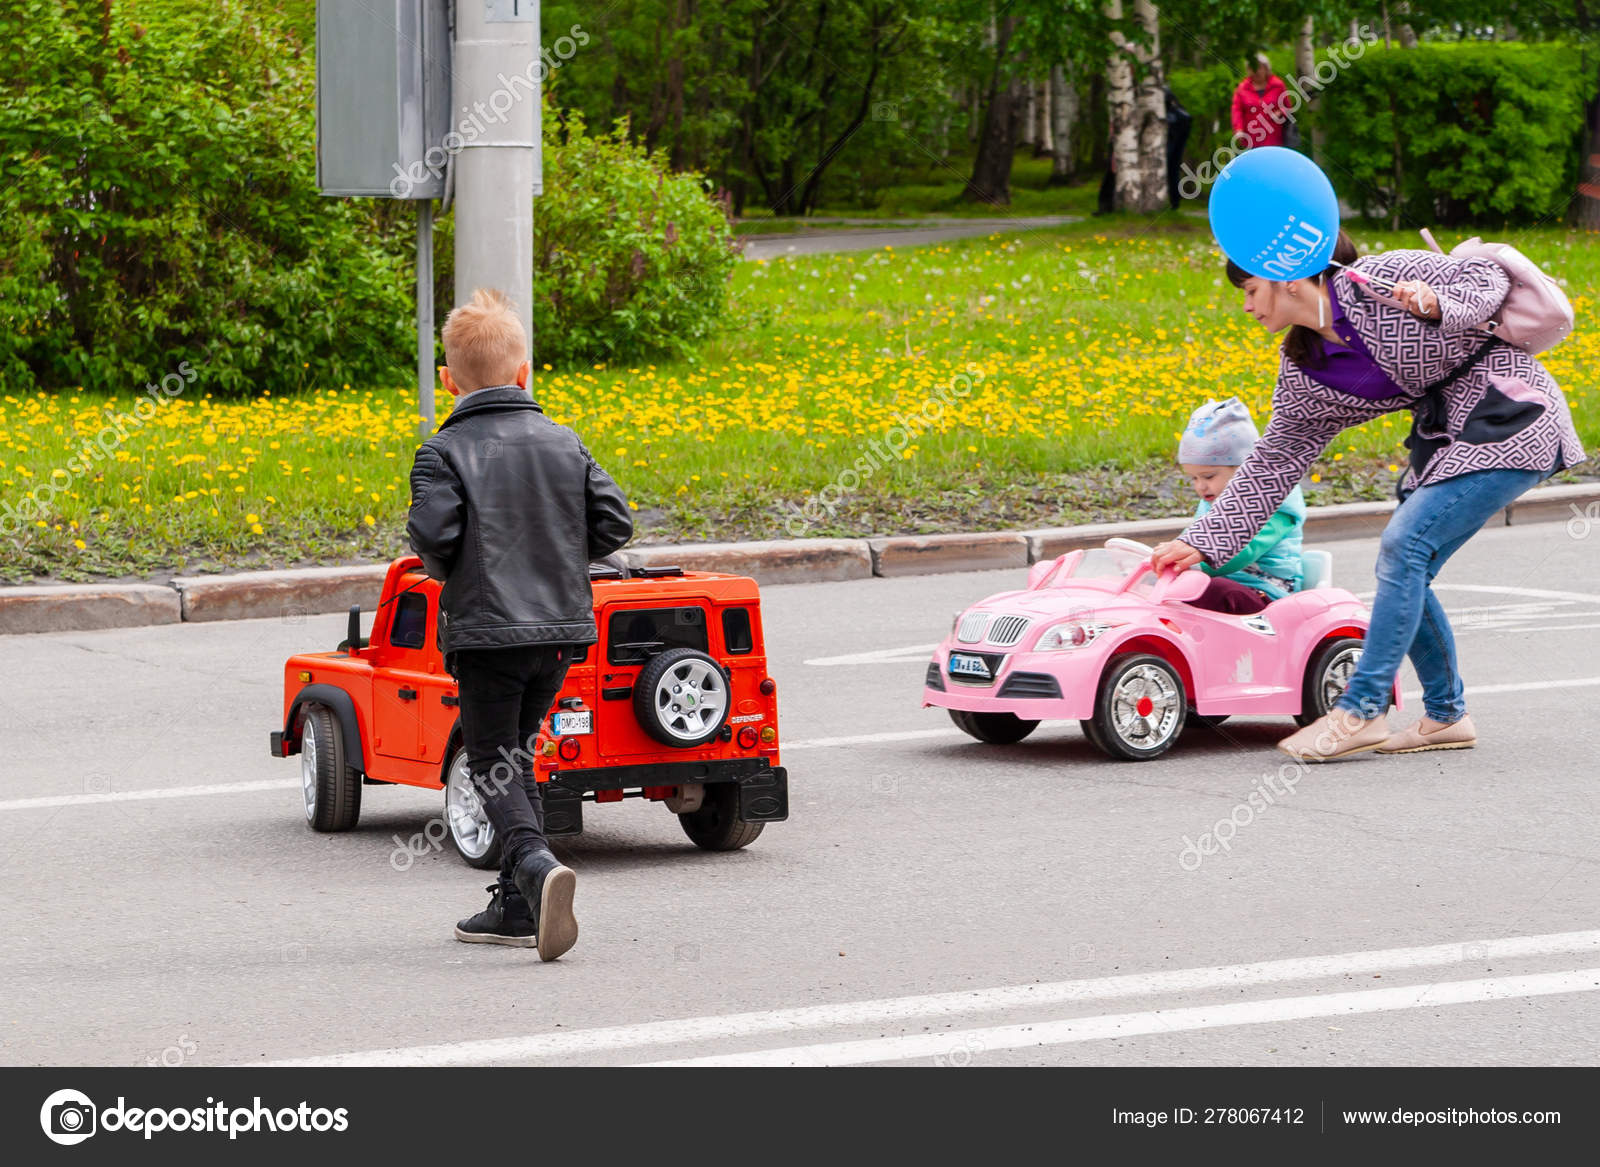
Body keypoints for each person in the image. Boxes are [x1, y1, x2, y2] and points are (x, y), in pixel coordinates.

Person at [1152, 230, 1584, 762]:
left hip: (1511, 415)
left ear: (1288, 278)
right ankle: (1447, 716)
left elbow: (1488, 276)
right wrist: (1202, 541)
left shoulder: (1379, 280)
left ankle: (1361, 710)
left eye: (1250, 289)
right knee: (1407, 565)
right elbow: (1275, 459)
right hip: (1448, 439)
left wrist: (1439, 303)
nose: (1244, 305)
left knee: (1403, 549)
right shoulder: (1306, 368)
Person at [407, 288, 634, 959]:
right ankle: (514, 906)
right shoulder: (565, 442)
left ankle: (535, 864)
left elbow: (435, 540)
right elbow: (614, 524)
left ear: (449, 381)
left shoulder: (443, 451)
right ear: (525, 372)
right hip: (561, 632)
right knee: (517, 754)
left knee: (489, 759)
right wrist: (555, 553)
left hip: (488, 633)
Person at [1177, 397, 1304, 614]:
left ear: (1246, 469)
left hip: (1267, 592)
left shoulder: (1275, 503)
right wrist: (1171, 555)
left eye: (1208, 476)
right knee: (1172, 592)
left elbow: (1242, 552)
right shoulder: (1212, 499)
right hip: (1224, 580)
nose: (1200, 486)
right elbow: (1191, 537)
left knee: (1216, 591)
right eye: (1194, 479)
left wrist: (1192, 563)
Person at [1231, 53, 1291, 149]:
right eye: (1252, 68)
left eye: (1259, 68)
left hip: (1275, 138)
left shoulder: (1278, 85)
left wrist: (1280, 112)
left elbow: (1288, 106)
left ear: (1266, 69)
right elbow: (1237, 111)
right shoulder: (1242, 88)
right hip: (1251, 140)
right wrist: (1238, 129)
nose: (1256, 71)